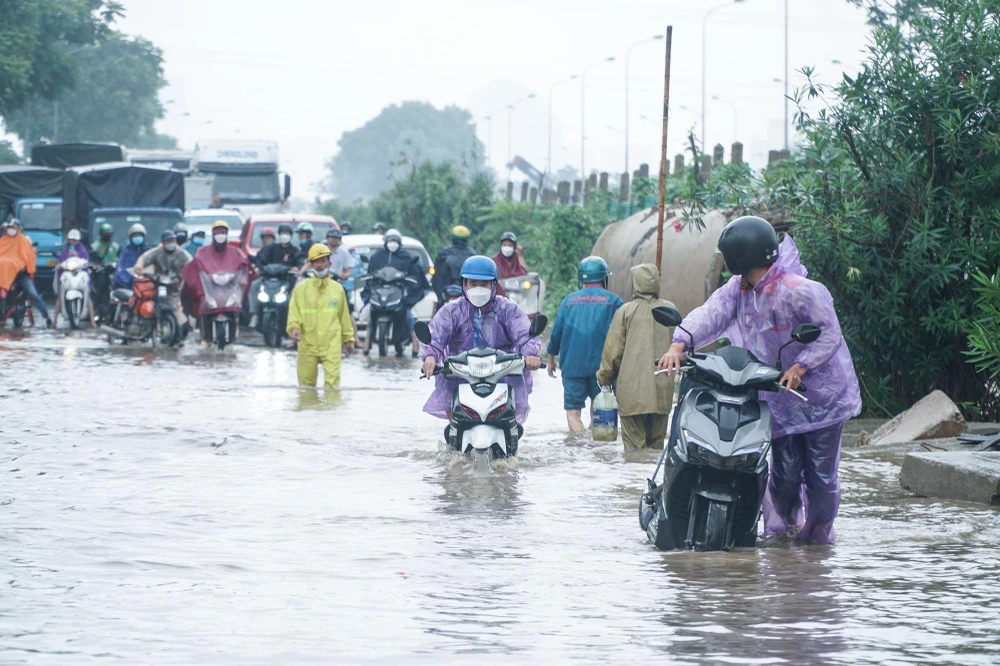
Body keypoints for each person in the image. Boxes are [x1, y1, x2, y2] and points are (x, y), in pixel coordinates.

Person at [657, 216, 862, 545]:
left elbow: (828, 333)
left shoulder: (801, 291)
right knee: (784, 474)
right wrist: (679, 342)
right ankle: (783, 539)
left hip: (819, 397)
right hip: (778, 395)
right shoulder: (739, 290)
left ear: (739, 257)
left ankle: (817, 543)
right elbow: (713, 311)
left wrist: (801, 366)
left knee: (822, 477)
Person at [420, 256, 542, 424]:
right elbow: (435, 336)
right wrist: (430, 357)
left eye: (484, 285)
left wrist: (531, 354)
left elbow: (524, 333)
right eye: (473, 284)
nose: (478, 289)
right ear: (464, 285)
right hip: (459, 376)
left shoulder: (508, 309)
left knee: (512, 425)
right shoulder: (451, 311)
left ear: (493, 285)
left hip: (501, 376)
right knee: (453, 425)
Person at [597, 264, 675, 449]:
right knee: (656, 448)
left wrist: (604, 377)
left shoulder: (626, 311)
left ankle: (634, 478)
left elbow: (613, 351)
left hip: (632, 391)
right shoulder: (670, 309)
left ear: (635, 284)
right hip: (662, 390)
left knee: (634, 451)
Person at [546, 256, 624, 432]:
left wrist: (551, 360)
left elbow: (557, 333)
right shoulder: (615, 302)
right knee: (598, 409)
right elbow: (624, 334)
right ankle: (593, 449)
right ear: (604, 278)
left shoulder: (569, 301)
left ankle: (579, 448)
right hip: (603, 367)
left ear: (581, 279)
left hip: (572, 366)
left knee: (573, 412)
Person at [286, 243, 355, 388]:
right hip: (307, 344)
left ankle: (331, 412)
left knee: (332, 388)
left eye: (323, 261)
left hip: (331, 344)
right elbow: (294, 313)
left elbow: (344, 316)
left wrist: (348, 339)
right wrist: (294, 328)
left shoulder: (338, 290)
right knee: (306, 388)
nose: (320, 265)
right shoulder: (300, 289)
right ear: (310, 264)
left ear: (329, 263)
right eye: (316, 262)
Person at [180, 219, 251, 343]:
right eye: (218, 232)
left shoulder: (235, 252)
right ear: (213, 234)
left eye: (223, 232)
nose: (220, 235)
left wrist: (243, 275)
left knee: (235, 309)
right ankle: (204, 335)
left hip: (228, 290)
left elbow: (244, 262)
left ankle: (234, 335)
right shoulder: (203, 252)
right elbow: (196, 264)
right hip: (210, 289)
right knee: (203, 305)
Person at [361, 228, 428, 357]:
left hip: (399, 291)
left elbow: (414, 275)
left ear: (399, 242)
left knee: (408, 314)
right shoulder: (377, 257)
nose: (392, 242)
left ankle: (415, 343)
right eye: (390, 240)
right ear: (385, 241)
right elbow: (370, 274)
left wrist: (408, 284)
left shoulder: (405, 257)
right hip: (380, 291)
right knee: (371, 311)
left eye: (395, 240)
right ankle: (367, 341)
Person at [133, 229, 193, 333]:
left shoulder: (182, 254)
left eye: (173, 240)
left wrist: (179, 277)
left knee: (182, 314)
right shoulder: (157, 252)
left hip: (176, 290)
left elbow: (191, 267)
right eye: (168, 241)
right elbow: (144, 259)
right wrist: (139, 267)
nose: (171, 243)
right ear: (163, 242)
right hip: (157, 286)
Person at [248, 223, 302, 329]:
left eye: (286, 233)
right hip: (268, 280)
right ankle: (254, 315)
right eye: (282, 233)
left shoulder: (294, 250)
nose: (284, 235)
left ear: (291, 235)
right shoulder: (271, 248)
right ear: (279, 235)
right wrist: (259, 267)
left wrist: (296, 267)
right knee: (254, 285)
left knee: (295, 295)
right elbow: (260, 258)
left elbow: (300, 260)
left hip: (286, 281)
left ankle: (294, 320)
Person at [0, 219, 52, 327]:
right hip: (6, 276)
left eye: (13, 229)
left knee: (33, 294)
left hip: (21, 275)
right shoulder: (3, 241)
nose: (10, 231)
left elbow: (29, 256)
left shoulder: (24, 241)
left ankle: (47, 318)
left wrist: (22, 265)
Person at [51, 228, 94, 326]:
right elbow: (60, 260)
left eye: (75, 240)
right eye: (71, 239)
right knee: (59, 298)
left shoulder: (82, 250)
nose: (73, 242)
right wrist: (58, 265)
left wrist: (78, 256)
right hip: (68, 275)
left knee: (88, 296)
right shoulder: (66, 250)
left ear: (78, 240)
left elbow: (86, 260)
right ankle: (54, 321)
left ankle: (92, 321)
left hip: (80, 275)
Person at [431, 225, 475, 303]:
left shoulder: (443, 253)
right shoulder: (472, 256)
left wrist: (440, 296)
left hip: (445, 294)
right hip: (466, 294)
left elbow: (436, 277)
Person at [113, 223, 150, 289]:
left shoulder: (149, 251)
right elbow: (121, 269)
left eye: (140, 235)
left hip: (148, 285)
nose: (137, 237)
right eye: (135, 236)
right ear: (131, 237)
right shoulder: (126, 252)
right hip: (130, 287)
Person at [491, 231, 529, 297]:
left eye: (510, 245)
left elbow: (525, 273)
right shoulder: (495, 259)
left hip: (517, 294)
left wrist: (520, 256)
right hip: (498, 294)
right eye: (504, 245)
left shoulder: (517, 258)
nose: (507, 248)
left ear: (514, 247)